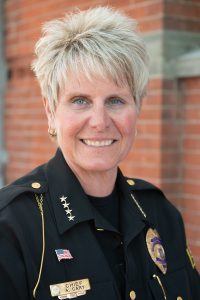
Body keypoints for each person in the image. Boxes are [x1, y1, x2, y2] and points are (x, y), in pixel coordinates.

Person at [0, 6, 199, 300]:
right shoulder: (12, 226)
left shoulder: (160, 213)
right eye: (80, 100)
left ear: (138, 107)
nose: (100, 121)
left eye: (116, 100)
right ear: (50, 110)